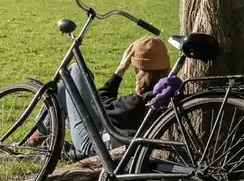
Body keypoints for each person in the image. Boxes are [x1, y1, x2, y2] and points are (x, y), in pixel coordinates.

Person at [30, 36, 173, 159]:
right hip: (108, 131)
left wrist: (119, 71)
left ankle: (37, 138)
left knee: (76, 70)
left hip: (93, 144)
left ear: (137, 68)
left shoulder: (135, 103)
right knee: (65, 87)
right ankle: (39, 137)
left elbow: (98, 102)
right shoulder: (164, 94)